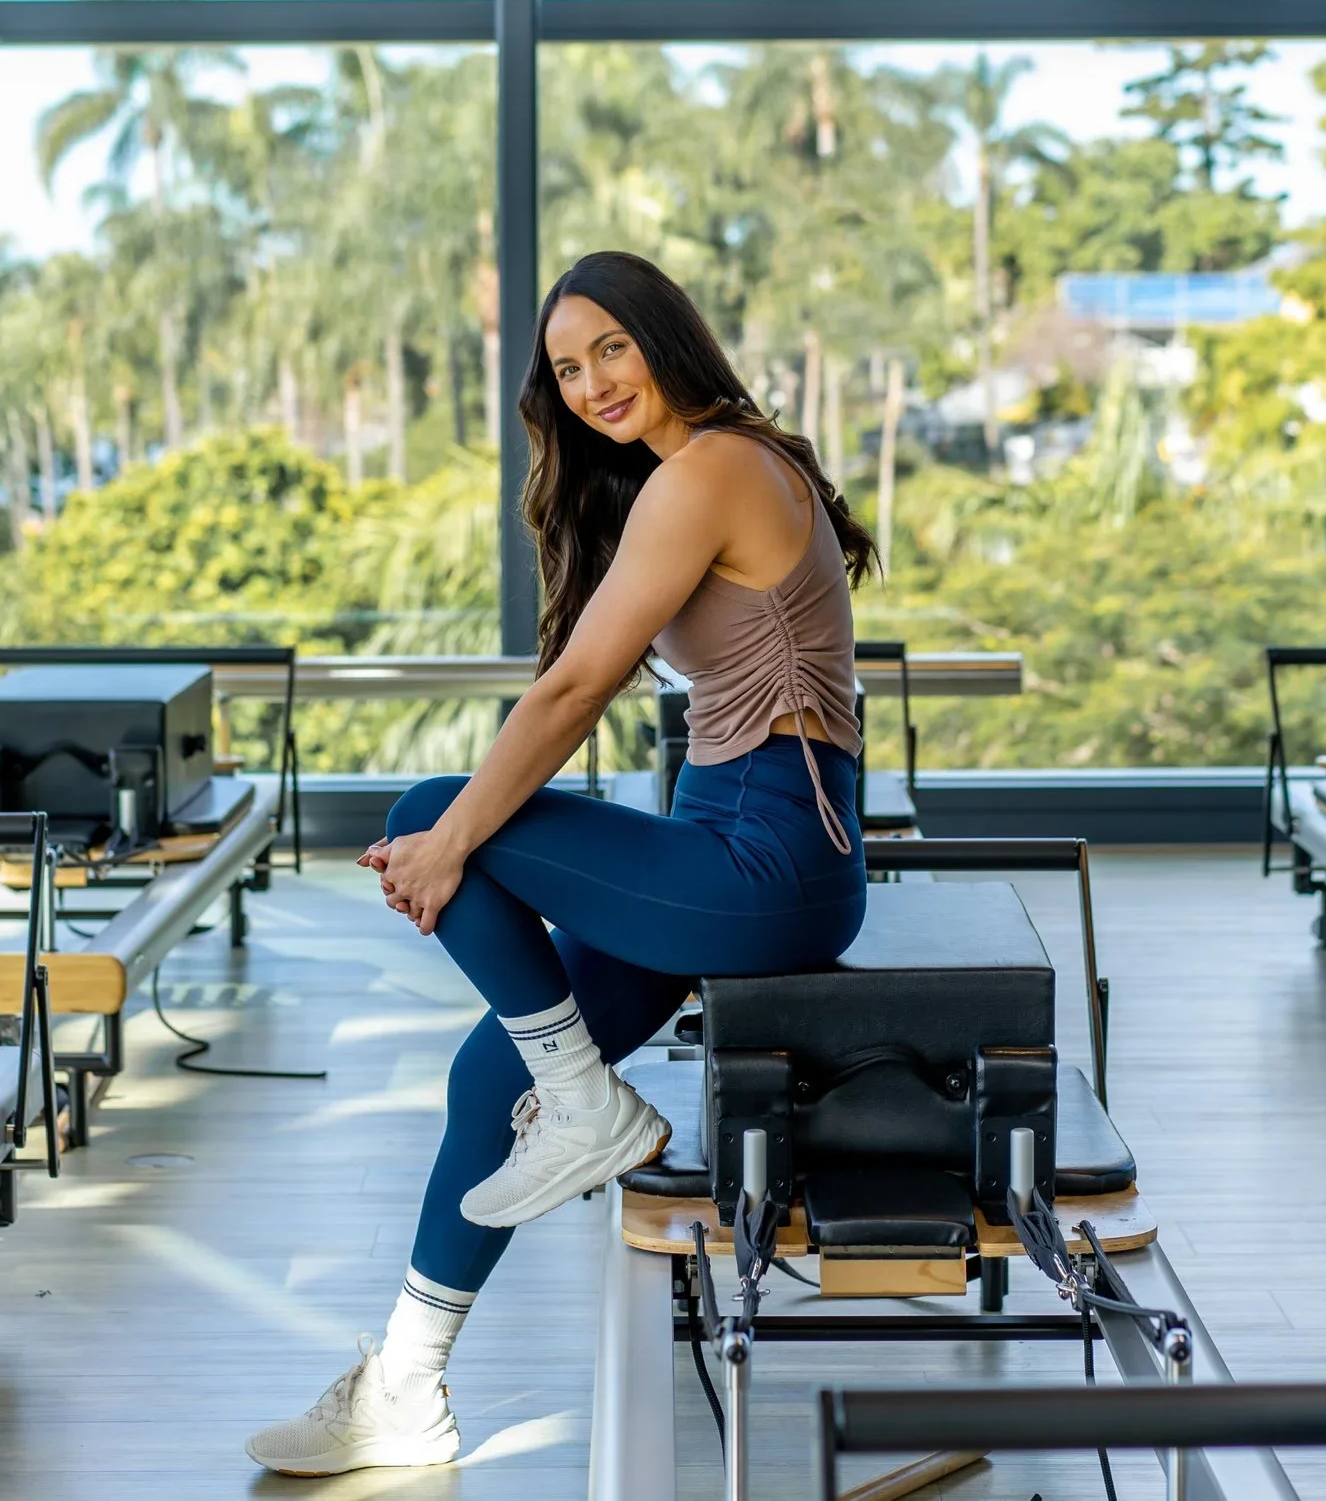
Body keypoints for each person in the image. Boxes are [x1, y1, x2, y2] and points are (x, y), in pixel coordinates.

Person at [246, 250, 876, 1475]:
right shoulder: (711, 464)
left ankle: (585, 1106)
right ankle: (404, 1384)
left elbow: (578, 686)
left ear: (665, 338)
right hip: (737, 856)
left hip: (765, 865)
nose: (590, 384)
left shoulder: (712, 471)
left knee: (438, 805)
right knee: (496, 1072)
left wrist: (447, 841)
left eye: (611, 350)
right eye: (565, 368)